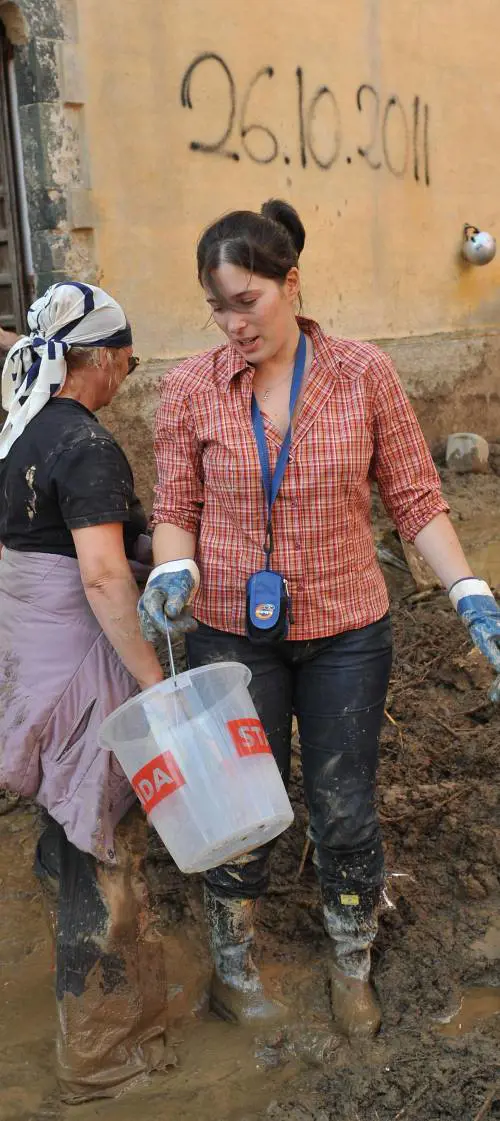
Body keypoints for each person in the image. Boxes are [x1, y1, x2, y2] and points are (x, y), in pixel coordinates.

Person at [138, 200, 500, 1041]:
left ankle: (350, 960)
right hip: (229, 631)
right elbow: (175, 506)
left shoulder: (364, 374)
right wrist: (172, 566)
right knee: (239, 808)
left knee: (344, 805)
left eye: (247, 301)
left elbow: (415, 498)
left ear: (290, 283)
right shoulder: (190, 388)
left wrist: (470, 590)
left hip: (347, 631)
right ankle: (235, 970)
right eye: (217, 308)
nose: (234, 325)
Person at [0, 283, 168, 1102]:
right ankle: (97, 1064)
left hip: (28, 669)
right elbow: (102, 577)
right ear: (98, 358)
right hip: (80, 676)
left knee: (67, 843)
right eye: (126, 363)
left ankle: (107, 1028)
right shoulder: (88, 446)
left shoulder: (20, 432)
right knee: (103, 856)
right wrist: (155, 682)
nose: (127, 377)